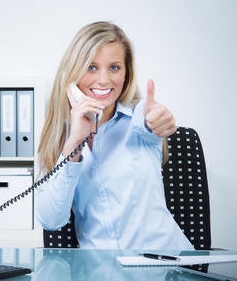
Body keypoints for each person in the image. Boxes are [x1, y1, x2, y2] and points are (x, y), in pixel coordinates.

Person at [36, 21, 194, 250]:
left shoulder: (139, 119)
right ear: (71, 74)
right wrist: (75, 143)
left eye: (114, 67)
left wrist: (159, 118)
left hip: (166, 268)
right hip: (99, 271)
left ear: (126, 73)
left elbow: (149, 118)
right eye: (91, 67)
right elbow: (51, 221)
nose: (103, 80)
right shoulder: (57, 139)